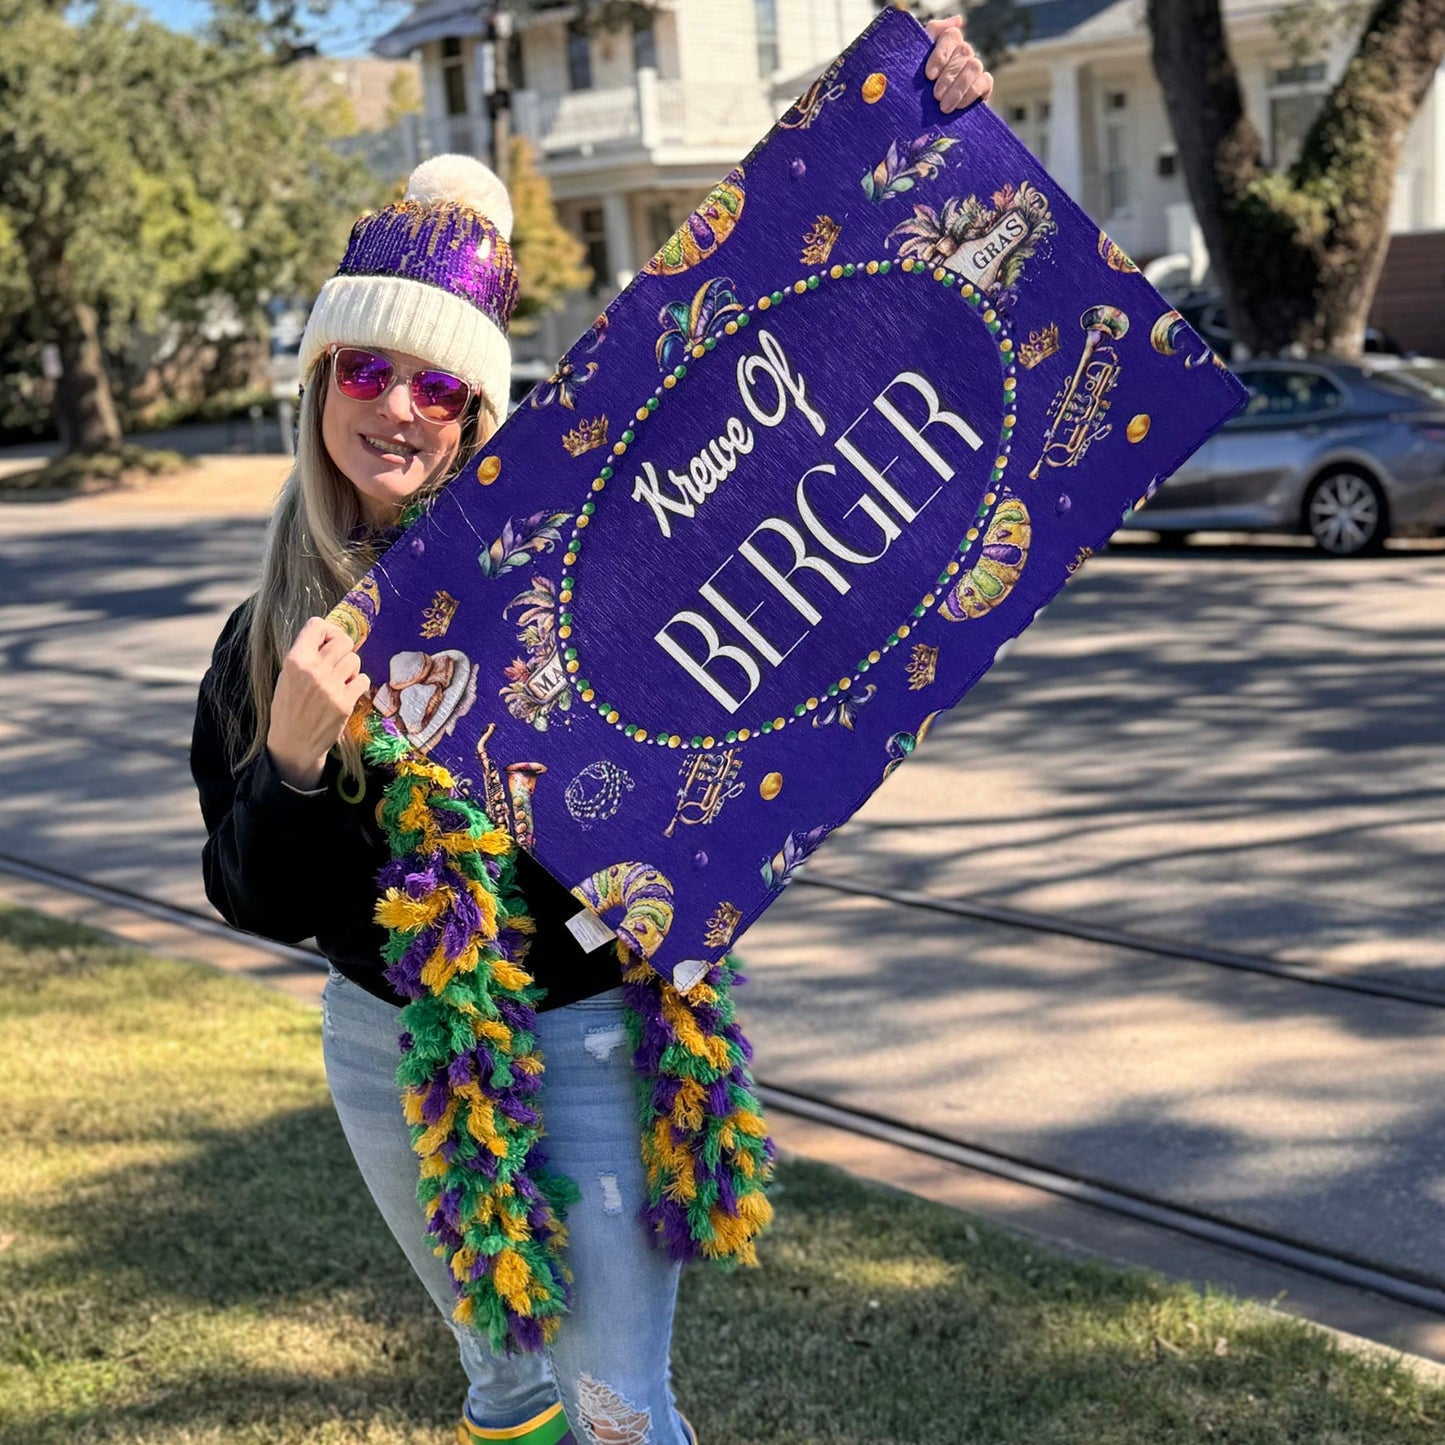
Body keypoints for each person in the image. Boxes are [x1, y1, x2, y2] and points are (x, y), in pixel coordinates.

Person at [190, 23, 991, 1445]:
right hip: (391, 1047)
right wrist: (302, 755)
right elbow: (262, 897)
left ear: (478, 412)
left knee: (616, 1403)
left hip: (589, 1037)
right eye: (368, 370)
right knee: (501, 1379)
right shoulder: (272, 636)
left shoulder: (571, 559)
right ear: (318, 383)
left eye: (438, 386)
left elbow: (807, 384)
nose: (398, 409)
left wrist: (920, 143)